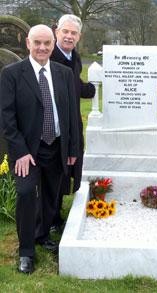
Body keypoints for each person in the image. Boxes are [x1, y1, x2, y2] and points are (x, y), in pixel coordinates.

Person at [0, 24, 79, 273]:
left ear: (53, 44)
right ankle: (26, 251)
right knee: (25, 195)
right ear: (28, 43)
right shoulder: (12, 73)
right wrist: (20, 151)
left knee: (50, 195)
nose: (43, 47)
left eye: (47, 43)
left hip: (56, 146)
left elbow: (71, 115)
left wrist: (72, 148)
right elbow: (6, 117)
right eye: (37, 43)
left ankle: (42, 235)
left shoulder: (63, 73)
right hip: (26, 150)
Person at [49, 14, 95, 232]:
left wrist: (88, 89)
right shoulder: (49, 56)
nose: (69, 36)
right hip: (54, 124)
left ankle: (56, 211)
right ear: (57, 31)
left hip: (73, 122)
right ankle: (51, 217)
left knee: (68, 166)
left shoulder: (74, 57)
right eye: (65, 31)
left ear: (79, 36)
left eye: (73, 33)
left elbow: (73, 84)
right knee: (55, 168)